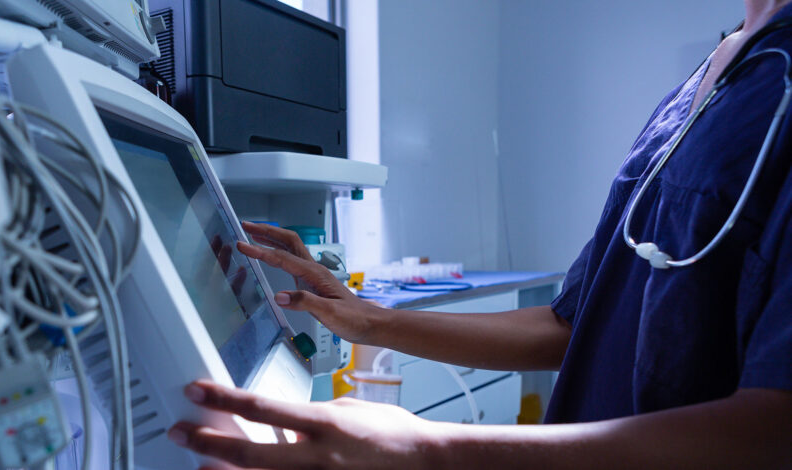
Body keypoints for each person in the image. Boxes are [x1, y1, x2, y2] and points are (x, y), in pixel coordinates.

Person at [168, 1, 792, 468]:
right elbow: (571, 324)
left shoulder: (777, 90)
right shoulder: (710, 79)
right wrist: (368, 319)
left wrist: (433, 450)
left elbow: (775, 425)